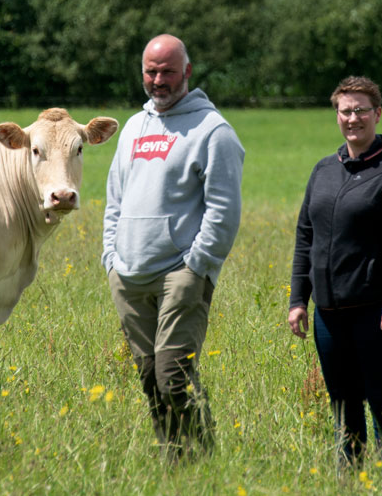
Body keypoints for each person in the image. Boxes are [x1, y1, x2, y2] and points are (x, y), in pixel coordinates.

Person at [102, 34, 244, 460]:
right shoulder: (133, 127)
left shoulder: (213, 131)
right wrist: (111, 256)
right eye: (150, 70)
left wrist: (197, 265)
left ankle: (204, 460)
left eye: (167, 71)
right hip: (128, 274)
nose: (158, 80)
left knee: (174, 376)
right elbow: (114, 198)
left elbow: (224, 210)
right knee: (150, 379)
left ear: (187, 72)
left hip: (180, 275)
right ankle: (174, 461)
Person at [287, 75, 382, 466]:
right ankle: (351, 478)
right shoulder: (323, 171)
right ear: (336, 115)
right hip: (329, 313)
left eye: (361, 110)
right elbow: (305, 237)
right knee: (343, 403)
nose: (353, 118)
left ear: (377, 114)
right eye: (345, 111)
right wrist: (299, 299)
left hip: (381, 311)